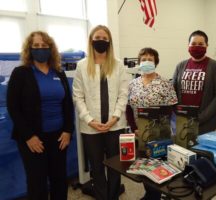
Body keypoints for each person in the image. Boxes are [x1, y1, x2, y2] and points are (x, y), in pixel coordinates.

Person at [6, 31, 74, 200]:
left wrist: (67, 130)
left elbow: (67, 104)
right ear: (30, 49)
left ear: (51, 49)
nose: (40, 49)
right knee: (37, 183)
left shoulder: (58, 73)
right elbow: (13, 107)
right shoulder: (21, 73)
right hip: (33, 139)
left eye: (44, 46)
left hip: (59, 137)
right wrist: (28, 136)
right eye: (36, 46)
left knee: (59, 179)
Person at [72, 25, 130, 200]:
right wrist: (89, 120)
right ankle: (102, 196)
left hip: (115, 125)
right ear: (91, 40)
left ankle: (112, 196)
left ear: (109, 42)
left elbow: (123, 94)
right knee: (96, 166)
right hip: (91, 128)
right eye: (98, 38)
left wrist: (114, 118)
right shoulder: (82, 66)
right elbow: (78, 96)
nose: (101, 41)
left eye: (105, 39)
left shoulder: (118, 65)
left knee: (115, 165)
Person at [126, 47, 178, 200]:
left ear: (156, 62)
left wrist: (157, 128)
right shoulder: (133, 84)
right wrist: (135, 128)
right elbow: (128, 109)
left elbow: (171, 109)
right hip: (140, 133)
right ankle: (150, 194)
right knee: (144, 165)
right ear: (139, 62)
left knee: (159, 165)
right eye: (143, 59)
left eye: (150, 59)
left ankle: (158, 195)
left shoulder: (165, 84)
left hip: (160, 134)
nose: (147, 62)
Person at [173, 30, 216, 136]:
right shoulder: (180, 66)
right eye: (193, 44)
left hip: (206, 122)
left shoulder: (215, 66)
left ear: (207, 45)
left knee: (202, 151)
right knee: (184, 151)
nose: (197, 46)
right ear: (188, 45)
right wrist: (179, 113)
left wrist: (202, 117)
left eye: (201, 44)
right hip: (183, 120)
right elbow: (172, 92)